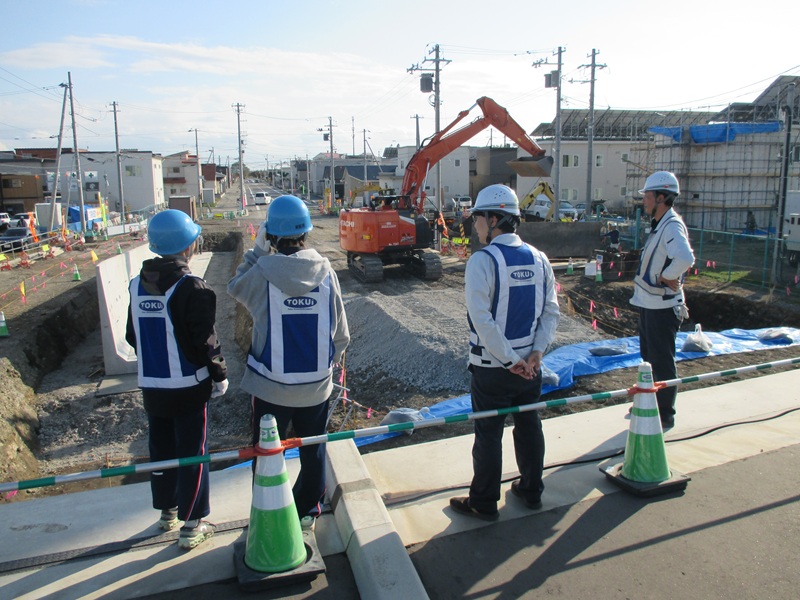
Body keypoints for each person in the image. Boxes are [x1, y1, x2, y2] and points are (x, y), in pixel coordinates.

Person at [227, 195, 350, 529]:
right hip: (316, 390)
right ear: (306, 233)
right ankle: (305, 512)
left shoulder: (261, 273)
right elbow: (340, 334)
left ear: (271, 235)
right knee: (313, 452)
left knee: (267, 455)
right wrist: (324, 369)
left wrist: (255, 251)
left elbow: (234, 286)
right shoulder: (327, 274)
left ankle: (269, 515)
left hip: (270, 390)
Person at [449, 184, 560, 521]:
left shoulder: (482, 261)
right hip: (530, 368)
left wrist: (511, 361)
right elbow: (551, 312)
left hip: (493, 370)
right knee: (529, 427)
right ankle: (531, 490)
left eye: (478, 219)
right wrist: (535, 355)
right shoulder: (540, 259)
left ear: (494, 219)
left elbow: (482, 321)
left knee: (488, 434)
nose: (475, 226)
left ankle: (483, 502)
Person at [125, 209, 228, 550]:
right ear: (187, 246)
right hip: (188, 386)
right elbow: (206, 341)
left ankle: (167, 513)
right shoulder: (191, 288)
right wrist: (219, 375)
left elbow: (132, 335)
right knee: (192, 453)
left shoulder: (136, 285)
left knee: (162, 449)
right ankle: (192, 524)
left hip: (152, 386)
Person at [630, 171, 695, 429]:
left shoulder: (671, 225)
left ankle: (665, 413)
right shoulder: (661, 225)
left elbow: (685, 258)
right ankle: (650, 404)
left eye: (647, 196)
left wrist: (666, 276)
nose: (644, 201)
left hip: (662, 307)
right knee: (649, 359)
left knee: (662, 362)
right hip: (649, 304)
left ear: (661, 197)